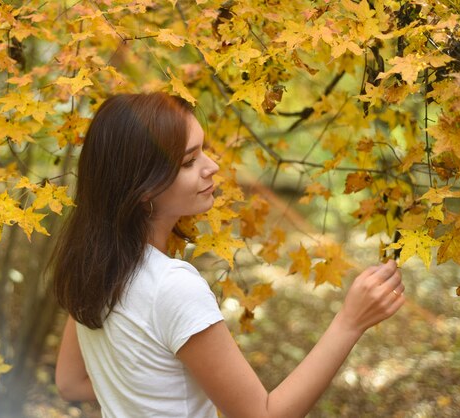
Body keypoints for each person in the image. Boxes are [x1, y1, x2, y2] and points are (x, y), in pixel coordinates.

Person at [51, 92, 405, 418]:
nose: (212, 166)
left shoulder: (93, 265)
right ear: (143, 187)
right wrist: (350, 322)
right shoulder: (171, 285)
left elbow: (70, 382)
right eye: (190, 161)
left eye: (203, 150)